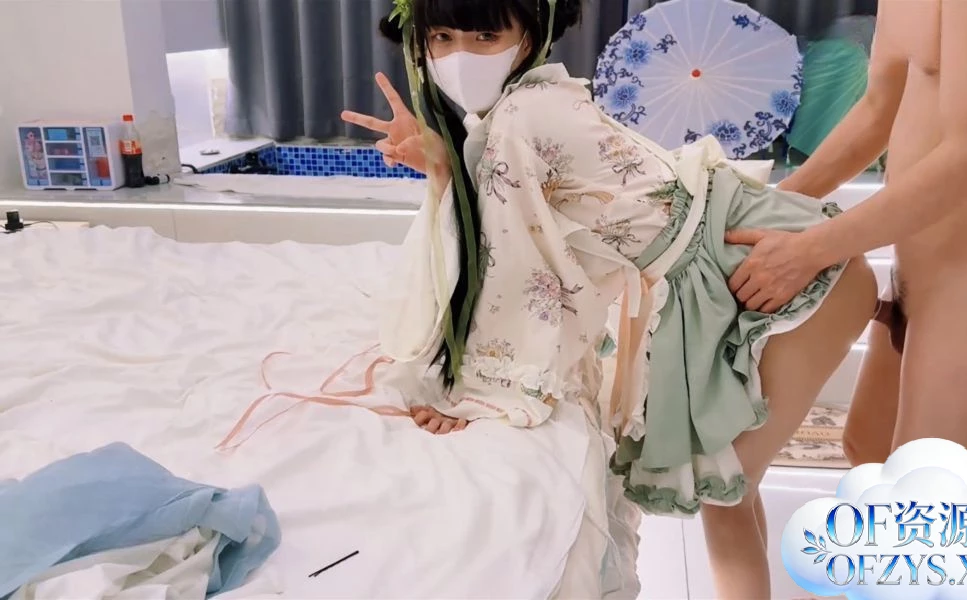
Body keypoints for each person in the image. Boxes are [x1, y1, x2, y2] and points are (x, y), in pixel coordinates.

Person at [343, 0, 876, 596]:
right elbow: (517, 243)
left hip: (790, 272)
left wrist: (481, 395)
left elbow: (520, 270)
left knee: (726, 489)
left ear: (528, 38)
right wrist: (445, 166)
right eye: (441, 37)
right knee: (729, 494)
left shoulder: (519, 117)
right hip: (743, 260)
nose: (459, 55)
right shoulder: (529, 101)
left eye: (485, 36)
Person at [724, 0, 967, 468]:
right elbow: (877, 111)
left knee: (919, 493)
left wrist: (809, 250)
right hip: (917, 278)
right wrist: (768, 209)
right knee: (866, 449)